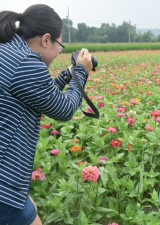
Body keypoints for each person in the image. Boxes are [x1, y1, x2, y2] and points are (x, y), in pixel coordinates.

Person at [0, 4, 93, 225]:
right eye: (59, 45)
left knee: (29, 206)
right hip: (4, 179)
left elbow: (37, 95)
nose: (59, 52)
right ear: (45, 39)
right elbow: (64, 110)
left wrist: (68, 75)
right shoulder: (26, 62)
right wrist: (81, 71)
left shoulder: (8, 50)